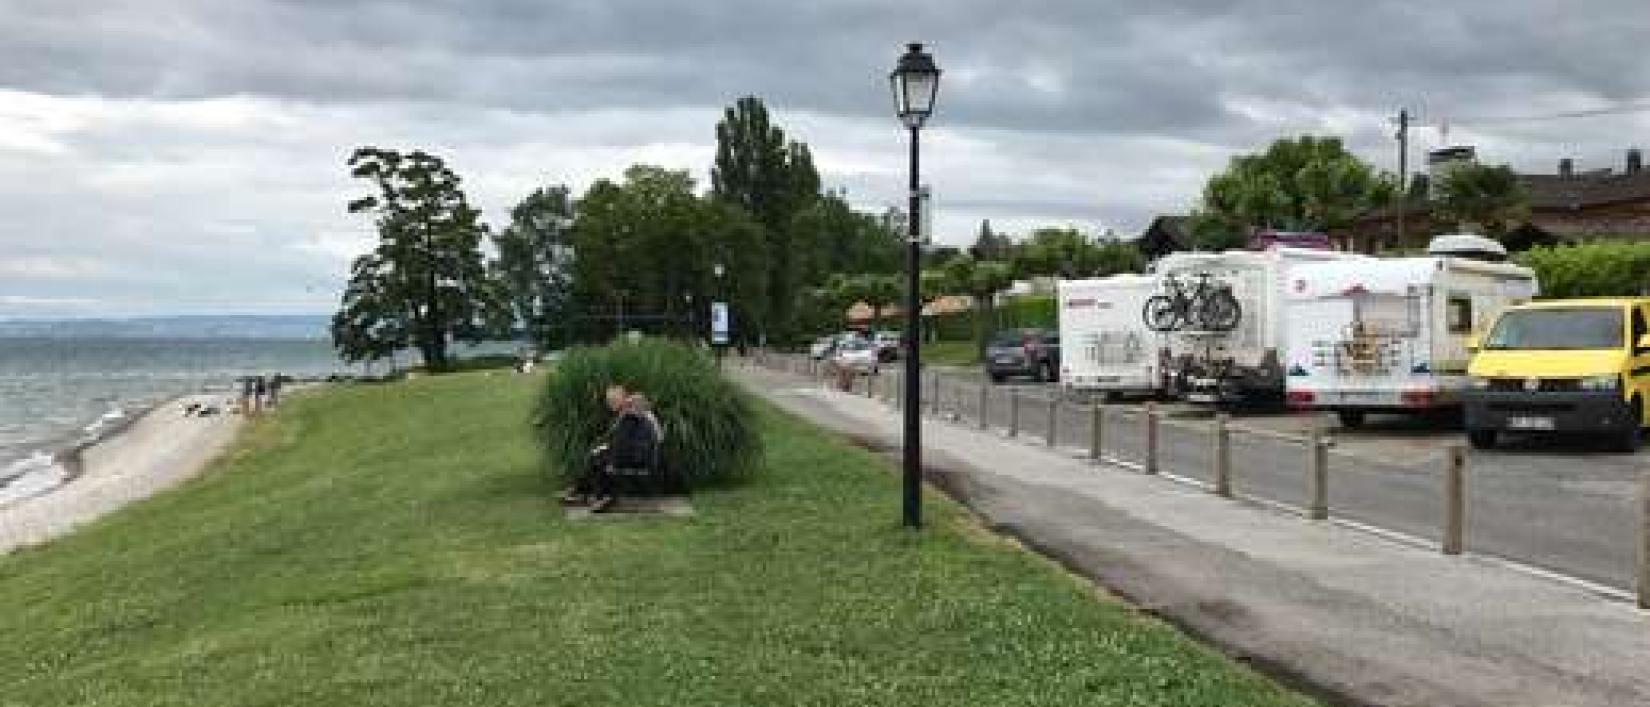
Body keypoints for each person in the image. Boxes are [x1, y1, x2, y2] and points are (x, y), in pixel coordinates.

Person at [561, 384, 662, 512]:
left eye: (613, 400)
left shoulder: (630, 416)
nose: (610, 404)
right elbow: (624, 442)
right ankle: (588, 493)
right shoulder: (633, 412)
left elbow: (625, 446)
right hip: (639, 454)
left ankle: (601, 496)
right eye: (609, 400)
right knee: (597, 456)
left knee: (599, 460)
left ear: (623, 398)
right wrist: (606, 449)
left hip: (640, 459)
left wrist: (612, 461)